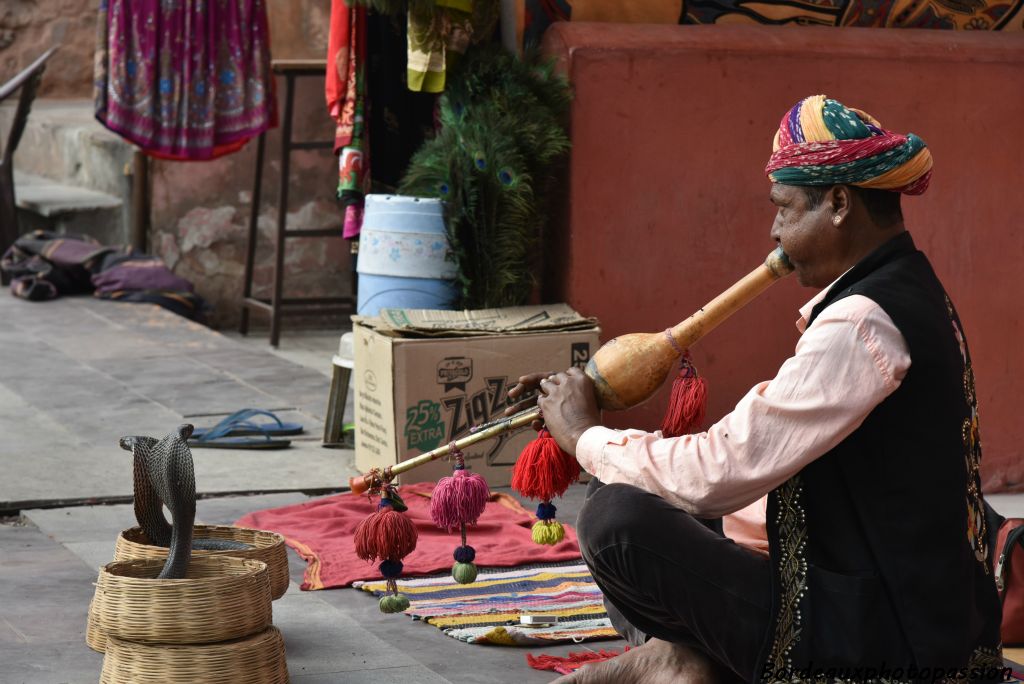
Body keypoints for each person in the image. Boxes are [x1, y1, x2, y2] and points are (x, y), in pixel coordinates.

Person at [508, 95, 1003, 683]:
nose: (774, 230)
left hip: (884, 638)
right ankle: (685, 656)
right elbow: (745, 480)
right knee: (642, 498)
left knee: (615, 521)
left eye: (785, 209)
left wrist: (585, 436)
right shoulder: (905, 290)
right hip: (899, 609)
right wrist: (597, 405)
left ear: (840, 204)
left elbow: (723, 468)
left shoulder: (862, 322)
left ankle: (685, 660)